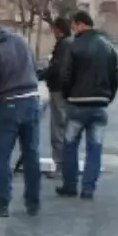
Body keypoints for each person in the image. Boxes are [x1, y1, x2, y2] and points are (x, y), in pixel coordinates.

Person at [0, 18, 42, 217]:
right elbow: (33, 67)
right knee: (31, 154)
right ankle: (33, 203)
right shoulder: (20, 41)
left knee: (0, 156)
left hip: (8, 104)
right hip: (31, 99)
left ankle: (1, 204)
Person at [57, 10, 118, 199]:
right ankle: (88, 188)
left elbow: (65, 75)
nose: (73, 29)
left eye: (74, 25)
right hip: (99, 104)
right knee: (95, 147)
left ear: (80, 24)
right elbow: (116, 77)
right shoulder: (108, 46)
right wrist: (108, 97)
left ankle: (69, 185)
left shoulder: (73, 45)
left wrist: (67, 95)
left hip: (77, 103)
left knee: (70, 145)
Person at [41, 16, 72, 179]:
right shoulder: (70, 43)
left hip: (58, 89)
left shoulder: (64, 45)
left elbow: (58, 68)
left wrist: (43, 74)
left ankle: (59, 165)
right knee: (64, 127)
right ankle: (64, 165)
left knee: (58, 127)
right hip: (64, 90)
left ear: (58, 30)